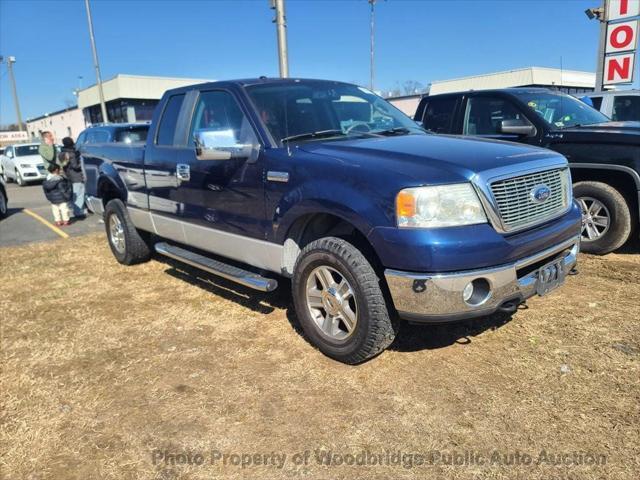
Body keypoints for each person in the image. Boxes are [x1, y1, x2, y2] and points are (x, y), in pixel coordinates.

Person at [59, 137, 86, 218]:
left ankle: (76, 210)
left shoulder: (61, 153)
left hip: (69, 176)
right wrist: (82, 164)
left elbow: (64, 165)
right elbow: (75, 166)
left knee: (74, 194)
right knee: (79, 194)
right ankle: (78, 212)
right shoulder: (72, 153)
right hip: (76, 176)